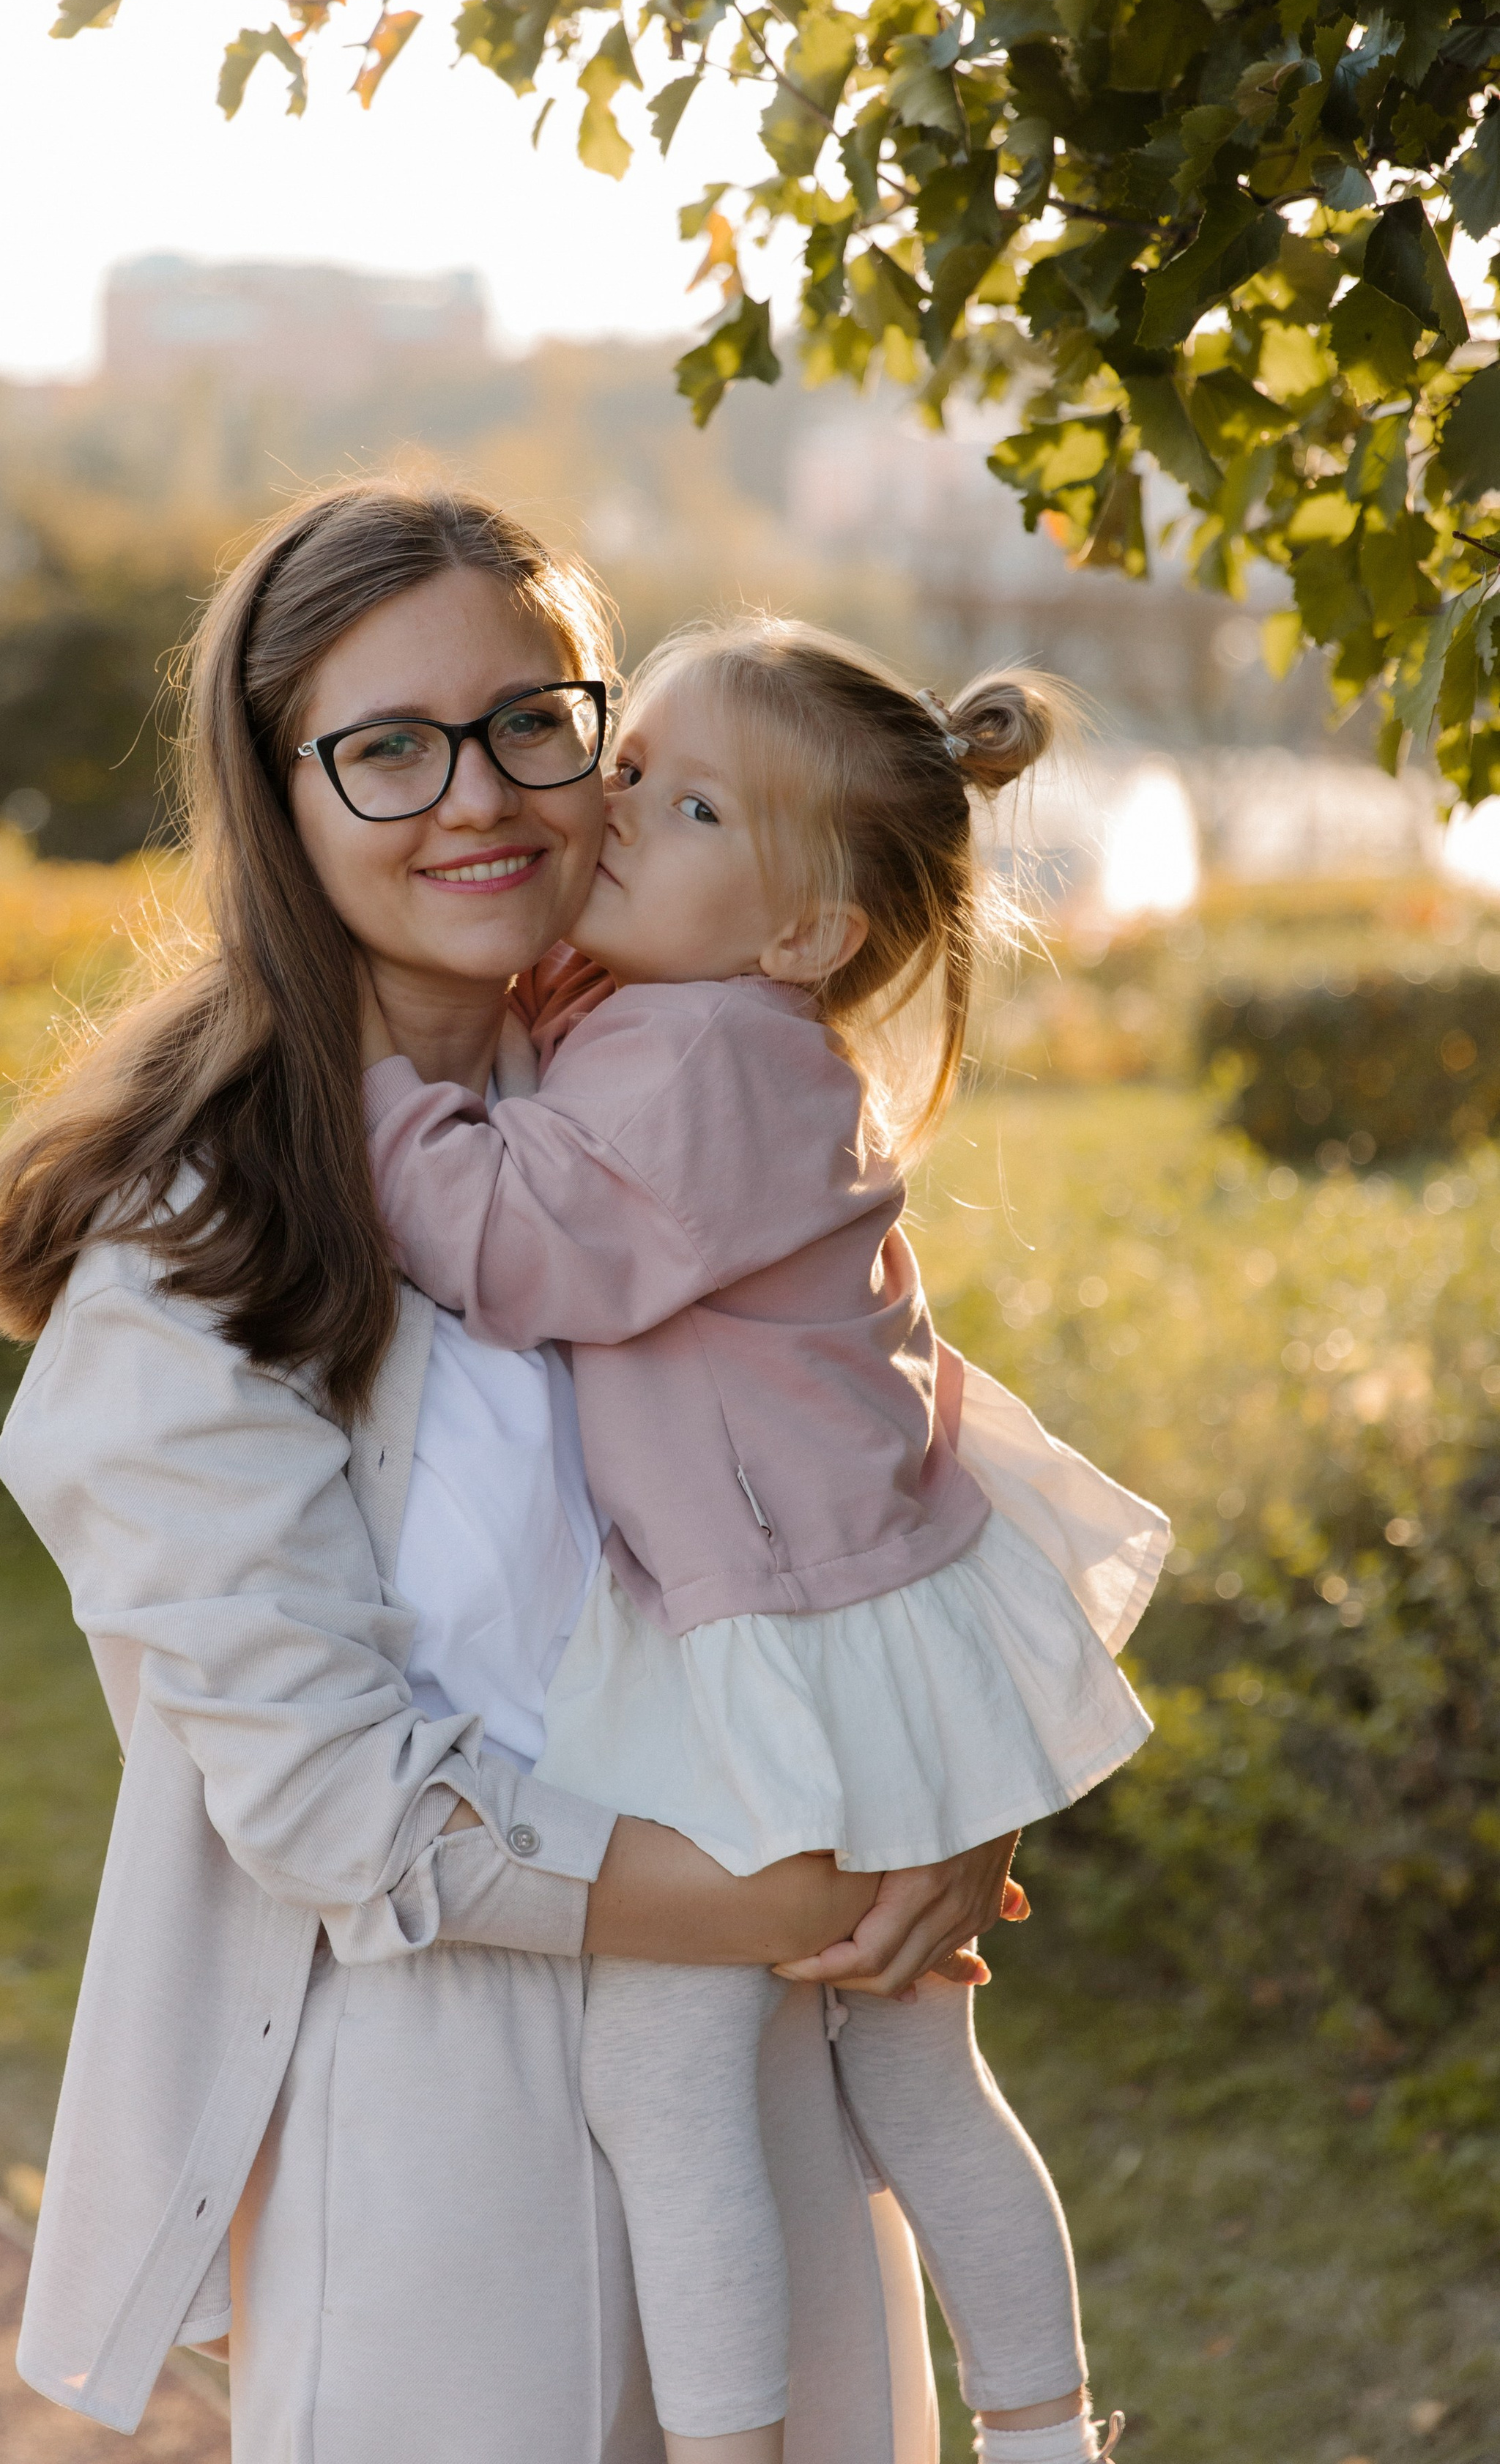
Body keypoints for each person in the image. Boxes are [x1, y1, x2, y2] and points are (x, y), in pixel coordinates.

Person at [0, 483, 1025, 2464]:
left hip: (766, 2081)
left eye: (539, 720)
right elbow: (345, 1809)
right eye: (388, 747)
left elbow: (880, 1453)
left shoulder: (678, 1085)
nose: (484, 797)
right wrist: (823, 1876)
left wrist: (962, 1791)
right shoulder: (197, 1241)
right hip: (443, 2140)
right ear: (280, 796)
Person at [363, 617, 1173, 2464]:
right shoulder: (692, 1010)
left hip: (767, 1631)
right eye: (630, 765)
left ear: (805, 931)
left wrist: (358, 1081)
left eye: (692, 799)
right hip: (843, 1594)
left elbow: (515, 1248)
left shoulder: (706, 1058)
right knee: (908, 2067)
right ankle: (1041, 2435)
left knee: (662, 2082)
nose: (620, 807)